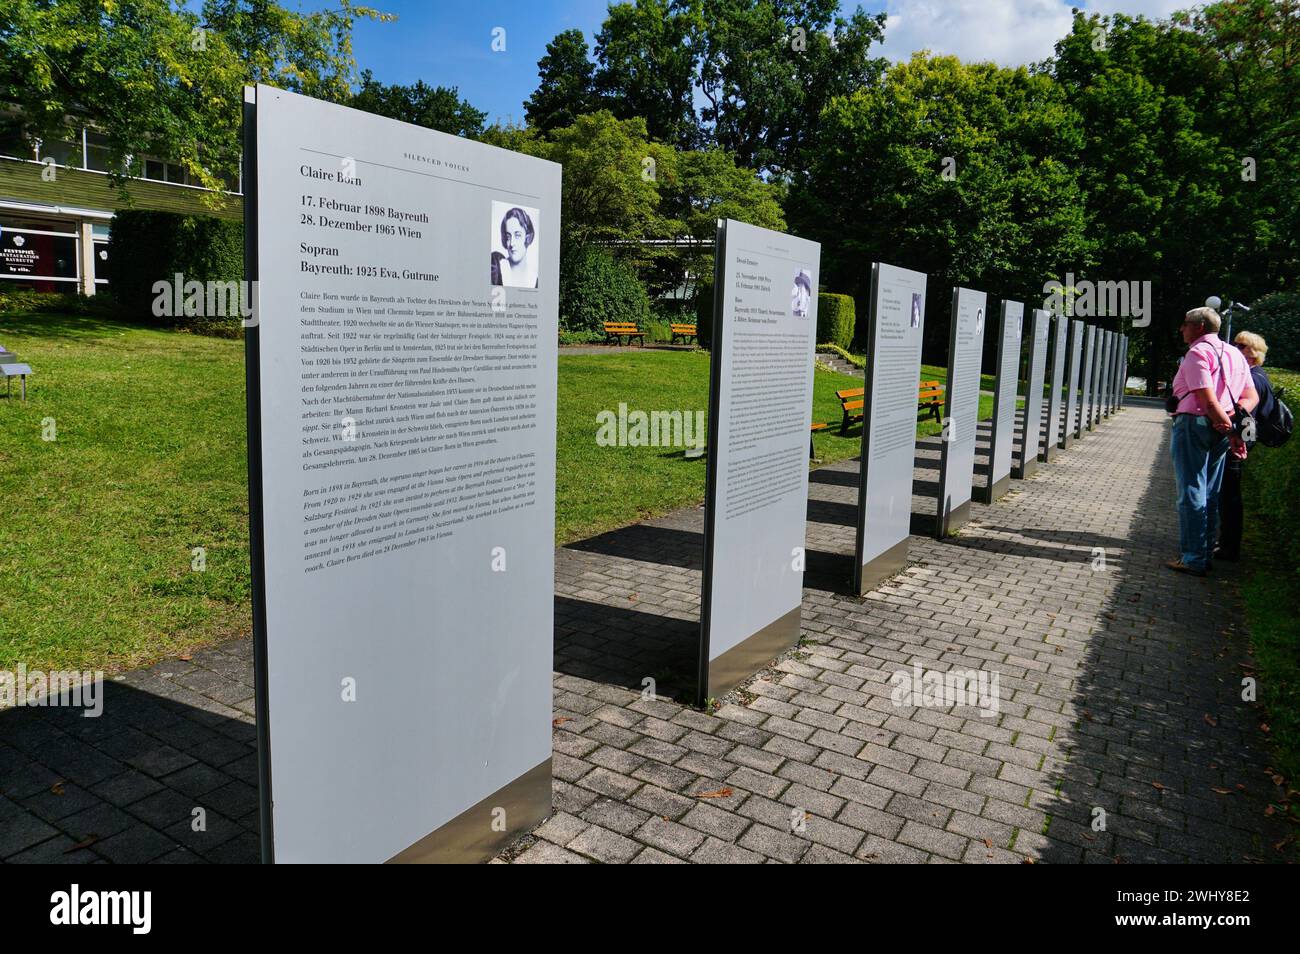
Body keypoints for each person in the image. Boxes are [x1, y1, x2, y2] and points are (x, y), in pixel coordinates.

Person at [1166, 307, 1257, 575]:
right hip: (1219, 428)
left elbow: (1207, 399)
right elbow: (1251, 396)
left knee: (1191, 491)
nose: (1182, 329)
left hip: (1194, 425)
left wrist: (1229, 428)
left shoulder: (1198, 353)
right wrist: (1233, 422)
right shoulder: (1235, 355)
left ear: (1200, 327)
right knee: (1210, 493)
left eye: (1185, 324)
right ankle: (1203, 554)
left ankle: (1193, 558)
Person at [1215, 331, 1274, 561]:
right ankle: (1226, 543)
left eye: (1240, 346)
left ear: (1252, 353)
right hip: (1241, 440)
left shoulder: (1255, 379)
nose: (1234, 348)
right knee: (1228, 494)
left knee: (1229, 495)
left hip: (1239, 442)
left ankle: (1229, 546)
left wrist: (1236, 438)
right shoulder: (1257, 376)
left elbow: (1245, 414)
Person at [490, 206, 538, 288]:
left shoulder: (535, 279)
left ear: (527, 237)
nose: (512, 243)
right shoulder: (495, 267)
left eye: (517, 235)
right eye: (508, 237)